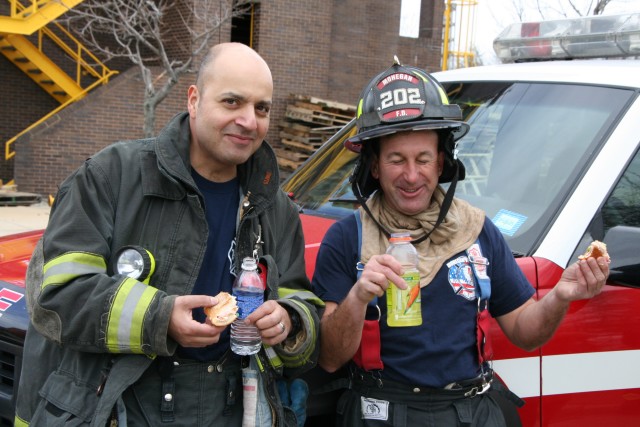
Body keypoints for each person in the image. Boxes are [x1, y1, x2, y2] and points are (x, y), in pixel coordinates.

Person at [15, 42, 320, 427]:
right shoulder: (111, 177)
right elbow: (55, 296)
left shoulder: (275, 207)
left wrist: (289, 320)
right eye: (231, 102)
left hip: (233, 405)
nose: (249, 120)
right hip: (122, 405)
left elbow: (301, 300)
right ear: (193, 100)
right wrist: (159, 317)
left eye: (262, 108)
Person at [311, 58, 610, 426]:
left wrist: (561, 295)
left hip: (472, 413)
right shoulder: (347, 239)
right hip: (383, 413)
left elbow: (525, 333)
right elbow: (329, 358)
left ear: (442, 162)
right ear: (374, 166)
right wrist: (358, 298)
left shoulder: (476, 230)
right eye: (395, 160)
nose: (411, 175)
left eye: (423, 159)